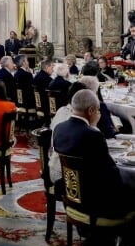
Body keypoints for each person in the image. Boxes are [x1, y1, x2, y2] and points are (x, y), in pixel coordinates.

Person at [53, 89, 134, 217]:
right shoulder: (92, 135)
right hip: (95, 203)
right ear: (90, 110)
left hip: (72, 193)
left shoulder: (60, 128)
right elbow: (112, 174)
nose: (98, 113)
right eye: (97, 110)